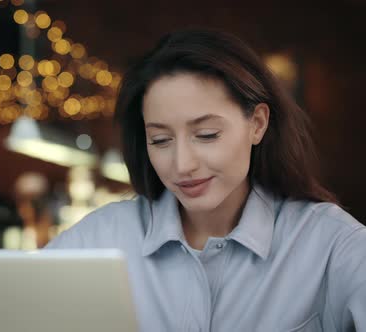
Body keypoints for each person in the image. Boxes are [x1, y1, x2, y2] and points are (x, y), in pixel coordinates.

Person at [45, 29, 366, 332]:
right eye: (160, 140)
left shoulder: (331, 244)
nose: (183, 165)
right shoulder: (102, 237)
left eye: (206, 135)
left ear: (257, 123)